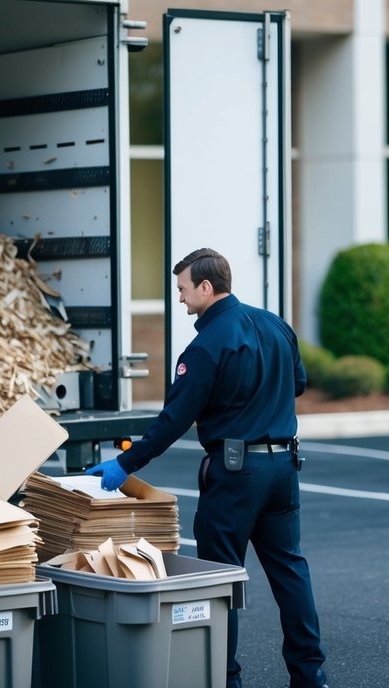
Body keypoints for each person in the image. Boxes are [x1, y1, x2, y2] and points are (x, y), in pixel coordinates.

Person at [89, 247, 329, 688]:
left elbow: (172, 421)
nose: (179, 298)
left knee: (219, 581)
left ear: (205, 287)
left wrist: (124, 463)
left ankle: (225, 677)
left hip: (235, 476)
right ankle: (311, 675)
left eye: (182, 289)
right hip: (283, 470)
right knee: (290, 571)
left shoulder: (204, 346)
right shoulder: (276, 325)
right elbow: (297, 384)